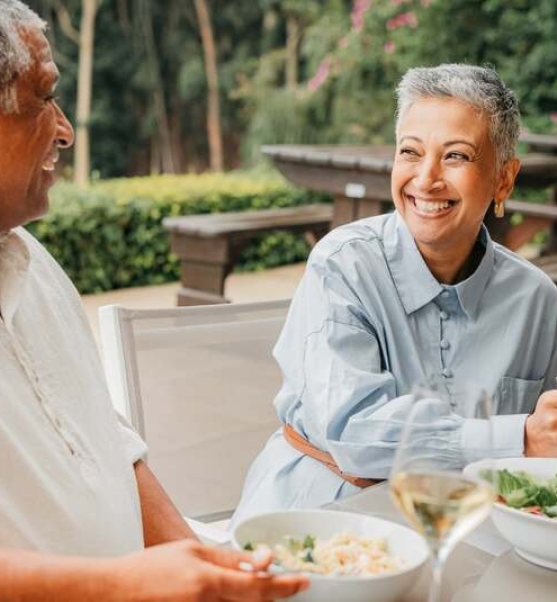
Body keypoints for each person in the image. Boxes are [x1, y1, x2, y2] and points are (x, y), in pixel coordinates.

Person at [0, 1, 309, 600]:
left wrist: (203, 565)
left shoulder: (29, 261)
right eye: (44, 97)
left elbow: (105, 444)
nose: (63, 128)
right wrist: (120, 585)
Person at [232, 63, 557, 524]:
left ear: (504, 179)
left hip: (466, 526)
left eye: (456, 156)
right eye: (410, 152)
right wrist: (517, 438)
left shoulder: (537, 299)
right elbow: (353, 431)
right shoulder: (342, 265)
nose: (426, 179)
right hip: (322, 512)